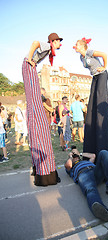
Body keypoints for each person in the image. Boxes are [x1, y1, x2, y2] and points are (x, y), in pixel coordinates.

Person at [22, 32, 62, 186]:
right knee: (34, 98)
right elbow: (35, 42)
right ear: (53, 41)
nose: (60, 44)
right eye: (58, 41)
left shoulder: (49, 50)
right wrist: (30, 59)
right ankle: (43, 171)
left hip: (28, 67)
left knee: (34, 99)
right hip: (28, 65)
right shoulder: (47, 46)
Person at [73, 38, 108, 159]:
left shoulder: (89, 52)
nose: (75, 46)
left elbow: (104, 54)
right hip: (94, 77)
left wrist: (104, 66)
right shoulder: (81, 57)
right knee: (92, 102)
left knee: (100, 98)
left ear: (82, 46)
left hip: (101, 75)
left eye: (76, 45)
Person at [65, 146, 108, 222]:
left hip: (94, 170)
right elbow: (68, 166)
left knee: (104, 152)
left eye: (76, 156)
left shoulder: (86, 161)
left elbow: (93, 156)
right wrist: (71, 156)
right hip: (83, 174)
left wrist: (79, 154)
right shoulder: (72, 166)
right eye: (74, 157)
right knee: (90, 189)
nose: (76, 157)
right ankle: (101, 210)